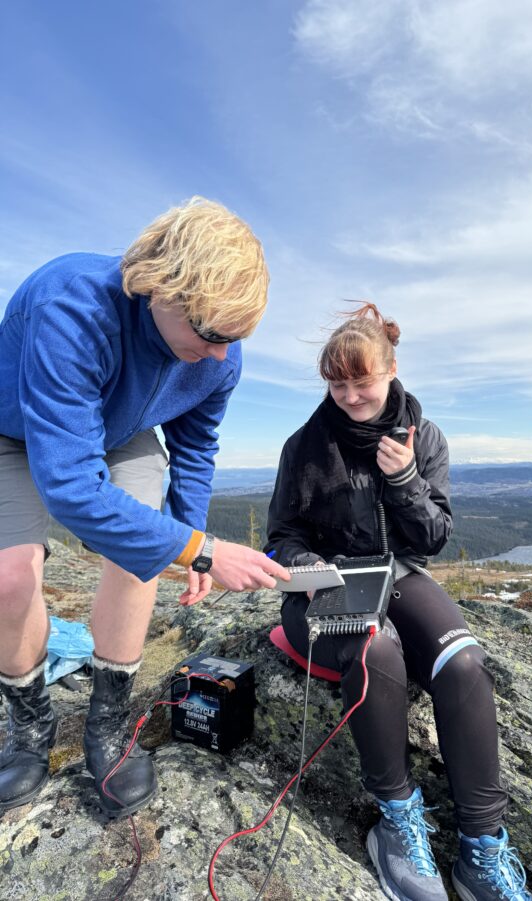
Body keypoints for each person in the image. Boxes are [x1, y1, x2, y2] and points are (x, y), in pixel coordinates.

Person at [0, 197, 288, 818]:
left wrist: (189, 543)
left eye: (233, 339)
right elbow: (70, 484)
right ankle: (29, 731)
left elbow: (195, 445)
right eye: (210, 333)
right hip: (15, 430)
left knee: (140, 553)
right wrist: (204, 549)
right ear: (161, 286)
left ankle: (109, 725)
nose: (220, 355)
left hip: (121, 428)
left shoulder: (218, 354)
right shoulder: (69, 304)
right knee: (9, 578)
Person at [265, 304, 532, 901]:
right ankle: (396, 820)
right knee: (376, 647)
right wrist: (308, 568)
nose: (350, 397)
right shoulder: (303, 447)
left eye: (362, 383)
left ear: (391, 370)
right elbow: (282, 536)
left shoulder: (425, 436)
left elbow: (433, 538)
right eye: (337, 385)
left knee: (463, 663)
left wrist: (406, 479)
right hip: (326, 586)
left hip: (402, 574)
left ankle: (482, 852)